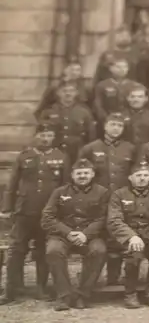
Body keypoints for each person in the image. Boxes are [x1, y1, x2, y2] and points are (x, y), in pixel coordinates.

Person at [0, 122, 69, 305]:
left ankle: (41, 287)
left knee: (41, 251)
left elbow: (65, 187)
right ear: (36, 136)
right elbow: (12, 184)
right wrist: (7, 208)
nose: (45, 139)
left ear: (53, 138)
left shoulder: (61, 157)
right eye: (42, 136)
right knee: (16, 250)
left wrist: (62, 211)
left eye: (49, 136)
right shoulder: (24, 156)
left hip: (47, 213)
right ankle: (11, 289)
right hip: (24, 211)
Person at [41, 159, 108, 311]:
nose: (82, 176)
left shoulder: (102, 192)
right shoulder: (59, 192)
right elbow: (47, 217)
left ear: (92, 174)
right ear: (72, 175)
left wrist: (85, 234)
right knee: (53, 251)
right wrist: (68, 232)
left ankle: (82, 294)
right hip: (62, 235)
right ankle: (64, 295)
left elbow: (103, 218)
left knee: (99, 250)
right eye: (79, 173)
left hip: (89, 235)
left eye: (86, 173)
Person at [78, 112, 136, 285]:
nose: (116, 128)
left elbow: (135, 174)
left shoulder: (130, 148)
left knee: (117, 237)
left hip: (121, 199)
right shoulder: (90, 148)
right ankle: (89, 278)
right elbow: (79, 174)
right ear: (105, 126)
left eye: (119, 125)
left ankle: (113, 278)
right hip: (97, 199)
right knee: (97, 237)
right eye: (112, 124)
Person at [106, 162, 149, 308]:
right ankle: (130, 293)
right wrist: (131, 236)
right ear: (130, 177)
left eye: (146, 175)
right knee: (134, 252)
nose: (142, 178)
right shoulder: (119, 194)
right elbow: (114, 220)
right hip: (125, 235)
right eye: (138, 175)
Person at [39, 81, 96, 164]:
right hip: (54, 152)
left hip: (77, 152)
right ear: (58, 93)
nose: (68, 94)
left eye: (71, 91)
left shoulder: (84, 112)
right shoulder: (49, 111)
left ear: (76, 93)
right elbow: (40, 134)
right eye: (64, 91)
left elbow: (91, 136)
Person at [92, 57, 137, 127]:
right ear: (111, 68)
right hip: (108, 121)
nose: (122, 69)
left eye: (125, 67)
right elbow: (98, 105)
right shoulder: (102, 85)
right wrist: (107, 118)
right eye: (118, 67)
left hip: (129, 121)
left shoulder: (134, 85)